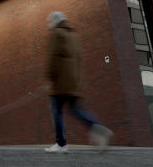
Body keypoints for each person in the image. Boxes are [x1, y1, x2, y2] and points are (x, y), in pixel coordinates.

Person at [44, 11, 113, 154]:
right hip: (74, 82)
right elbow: (78, 59)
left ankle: (61, 144)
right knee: (76, 109)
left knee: (56, 111)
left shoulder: (56, 33)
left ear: (55, 21)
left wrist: (49, 77)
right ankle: (96, 125)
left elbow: (53, 57)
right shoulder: (73, 35)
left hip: (60, 82)